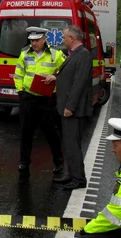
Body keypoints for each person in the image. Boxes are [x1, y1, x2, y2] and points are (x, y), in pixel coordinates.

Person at [44, 25, 93, 190]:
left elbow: (78, 84)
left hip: (74, 109)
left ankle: (78, 179)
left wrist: (70, 106)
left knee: (73, 144)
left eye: (64, 38)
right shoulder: (74, 55)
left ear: (72, 38)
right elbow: (69, 75)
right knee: (69, 144)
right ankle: (71, 174)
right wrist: (55, 77)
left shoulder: (83, 55)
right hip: (67, 107)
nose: (63, 40)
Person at [13, 26, 65, 173]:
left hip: (47, 99)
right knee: (26, 132)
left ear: (44, 39)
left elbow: (66, 71)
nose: (34, 43)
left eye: (36, 40)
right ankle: (24, 162)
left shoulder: (56, 54)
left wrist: (56, 77)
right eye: (31, 40)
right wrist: (21, 92)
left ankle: (59, 162)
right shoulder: (25, 54)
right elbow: (18, 74)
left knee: (51, 132)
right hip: (28, 98)